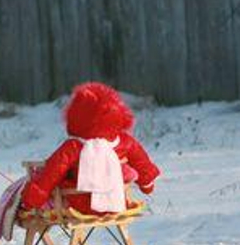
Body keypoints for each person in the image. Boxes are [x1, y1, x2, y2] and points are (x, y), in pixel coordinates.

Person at [20, 82, 160, 215]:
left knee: (62, 178)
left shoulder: (74, 147)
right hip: (118, 203)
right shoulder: (124, 141)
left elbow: (52, 172)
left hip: (81, 205)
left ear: (76, 115)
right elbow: (142, 163)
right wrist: (147, 184)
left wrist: (34, 197)